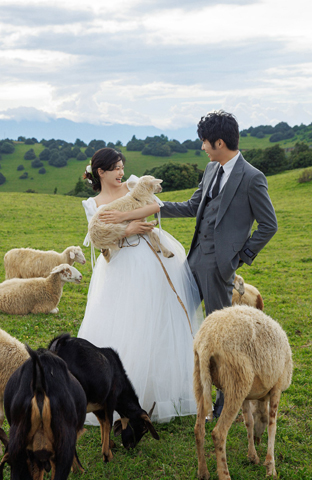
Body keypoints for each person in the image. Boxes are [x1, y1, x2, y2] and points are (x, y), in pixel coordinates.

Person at [159, 110, 278, 416]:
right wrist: (153, 207)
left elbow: (269, 224)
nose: (202, 148)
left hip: (220, 268)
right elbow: (193, 206)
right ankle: (183, 388)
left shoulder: (252, 178)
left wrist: (239, 257)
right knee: (181, 319)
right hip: (194, 259)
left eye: (205, 143)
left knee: (221, 339)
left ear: (220, 142)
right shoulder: (212, 170)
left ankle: (227, 399)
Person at [78, 148, 203, 424]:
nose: (121, 173)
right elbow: (98, 237)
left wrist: (124, 218)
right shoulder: (92, 203)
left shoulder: (134, 185)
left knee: (154, 321)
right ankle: (119, 396)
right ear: (101, 172)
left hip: (147, 258)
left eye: (122, 167)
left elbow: (155, 207)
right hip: (119, 266)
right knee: (123, 324)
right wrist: (126, 230)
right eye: (115, 169)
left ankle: (157, 393)